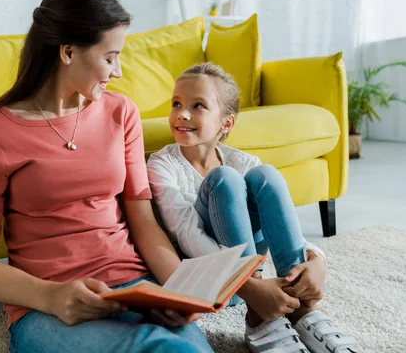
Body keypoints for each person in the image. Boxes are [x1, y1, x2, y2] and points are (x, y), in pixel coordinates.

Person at [0, 0, 213, 353]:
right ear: (67, 52)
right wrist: (51, 296)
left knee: (180, 348)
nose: (118, 71)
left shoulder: (121, 112)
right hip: (46, 303)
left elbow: (142, 221)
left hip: (133, 286)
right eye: (110, 57)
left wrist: (179, 290)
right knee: (153, 347)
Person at [147, 63, 358, 353]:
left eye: (198, 106)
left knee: (265, 176)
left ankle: (300, 307)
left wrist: (316, 259)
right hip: (218, 283)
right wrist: (248, 285)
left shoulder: (243, 161)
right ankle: (260, 313)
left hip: (254, 281)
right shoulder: (161, 164)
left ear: (226, 123)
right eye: (176, 104)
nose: (182, 114)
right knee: (224, 179)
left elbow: (281, 222)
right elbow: (186, 232)